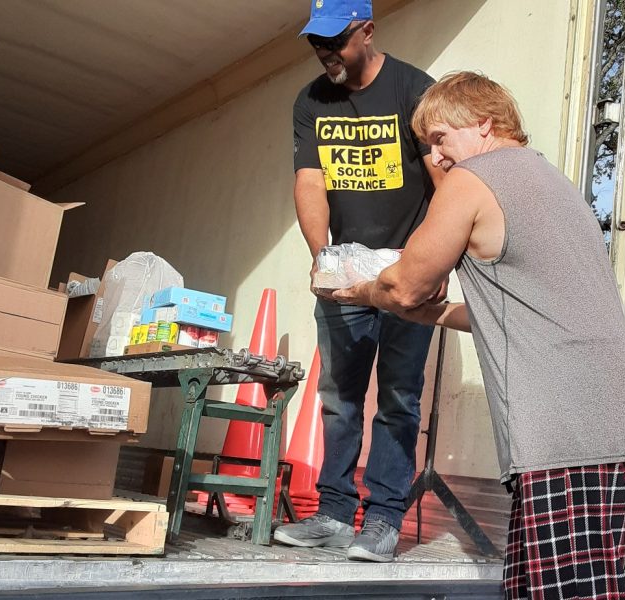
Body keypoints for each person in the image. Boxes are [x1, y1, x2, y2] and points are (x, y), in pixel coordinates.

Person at [333, 71, 625, 600]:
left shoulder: (474, 179)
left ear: (483, 123)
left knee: (564, 592)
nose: (434, 157)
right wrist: (424, 315)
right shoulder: (551, 182)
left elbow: (407, 284)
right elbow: (513, 313)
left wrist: (361, 290)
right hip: (606, 404)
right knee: (551, 584)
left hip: (565, 415)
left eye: (439, 139)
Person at [273, 0, 445, 563]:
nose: (325, 53)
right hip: (345, 270)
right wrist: (321, 257)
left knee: (398, 396)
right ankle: (333, 513)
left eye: (336, 40)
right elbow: (310, 181)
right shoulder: (311, 100)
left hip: (406, 268)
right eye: (316, 43)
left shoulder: (414, 90)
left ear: (367, 32)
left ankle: (385, 519)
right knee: (339, 397)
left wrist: (437, 263)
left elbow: (447, 183)